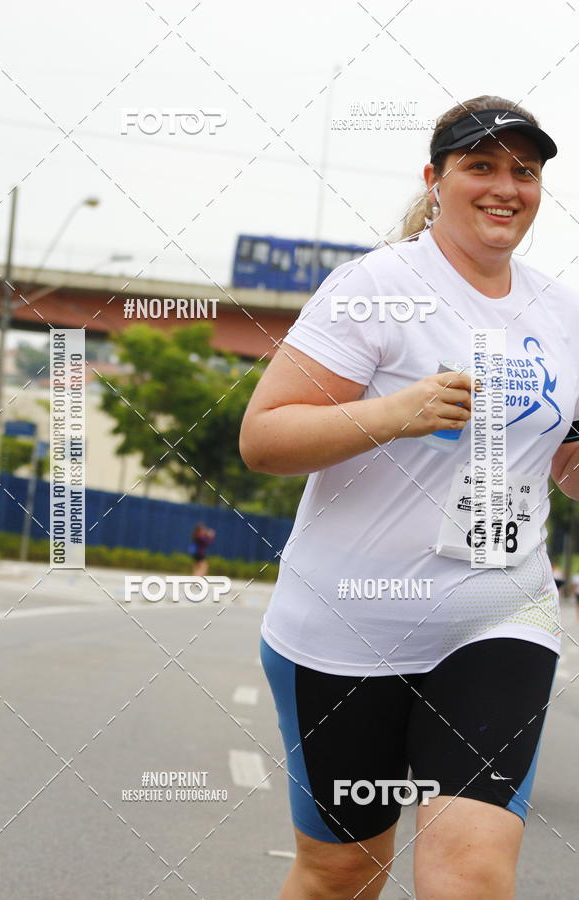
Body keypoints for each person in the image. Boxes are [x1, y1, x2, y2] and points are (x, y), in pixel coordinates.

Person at [239, 95, 579, 900]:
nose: (506, 186)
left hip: (499, 616)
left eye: (524, 171)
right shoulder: (375, 288)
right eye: (482, 166)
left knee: (470, 873)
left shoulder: (562, 313)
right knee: (342, 873)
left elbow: (565, 465)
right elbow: (264, 437)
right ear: (436, 180)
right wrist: (396, 414)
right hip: (346, 628)